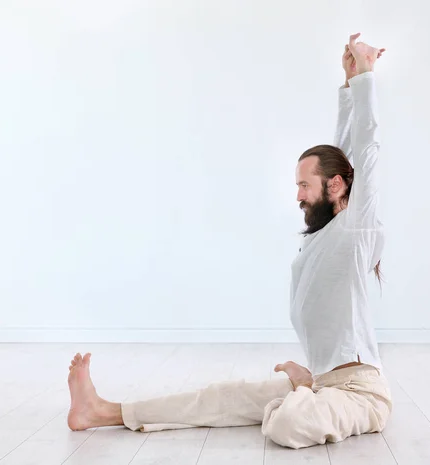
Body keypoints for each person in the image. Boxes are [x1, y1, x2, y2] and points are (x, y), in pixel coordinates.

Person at [66, 32, 391, 450]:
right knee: (220, 398)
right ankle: (102, 411)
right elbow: (343, 153)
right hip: (324, 380)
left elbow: (365, 150)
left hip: (359, 393)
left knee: (287, 425)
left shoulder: (355, 231)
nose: (296, 195)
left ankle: (301, 392)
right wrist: (347, 87)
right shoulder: (328, 232)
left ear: (335, 187)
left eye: (304, 186)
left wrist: (365, 77)